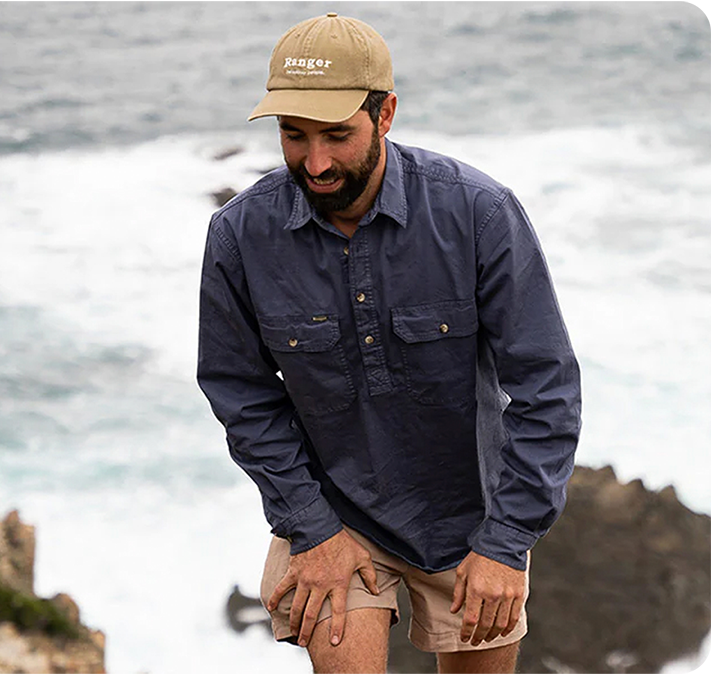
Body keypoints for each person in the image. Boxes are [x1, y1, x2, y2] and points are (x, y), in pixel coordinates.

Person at [196, 13, 582, 674]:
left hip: (474, 519)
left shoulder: (479, 214)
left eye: (337, 136)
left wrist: (508, 539)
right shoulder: (239, 236)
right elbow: (242, 394)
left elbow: (548, 387)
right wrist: (311, 528)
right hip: (334, 516)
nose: (314, 163)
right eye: (294, 136)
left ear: (387, 114)